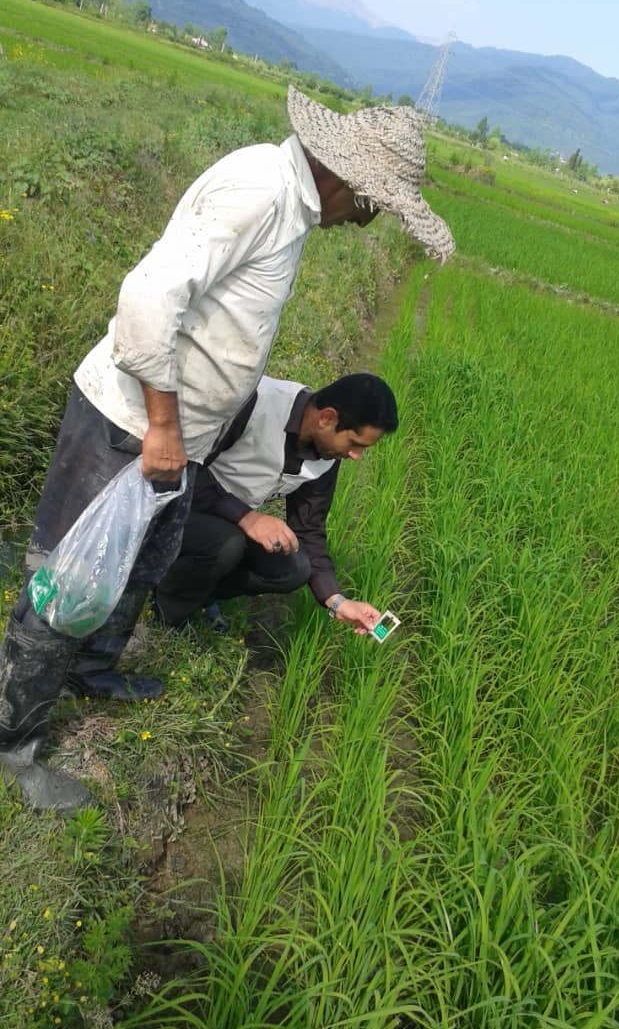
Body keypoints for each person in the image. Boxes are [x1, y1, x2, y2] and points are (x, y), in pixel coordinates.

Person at [0, 86, 454, 813]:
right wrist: (163, 427)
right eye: (372, 207)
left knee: (139, 565)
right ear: (349, 181)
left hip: (177, 435)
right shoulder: (261, 193)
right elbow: (148, 297)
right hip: (129, 419)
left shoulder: (293, 211)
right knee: (68, 583)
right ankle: (15, 749)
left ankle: (93, 669)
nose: (364, 222)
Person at [154, 373, 398, 632]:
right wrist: (248, 517)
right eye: (354, 443)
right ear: (327, 418)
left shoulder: (326, 456)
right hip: (173, 503)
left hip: (223, 521)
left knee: (294, 568)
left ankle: (195, 589)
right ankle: (166, 611)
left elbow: (309, 528)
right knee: (227, 543)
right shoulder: (255, 402)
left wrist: (336, 601)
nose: (356, 455)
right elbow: (184, 467)